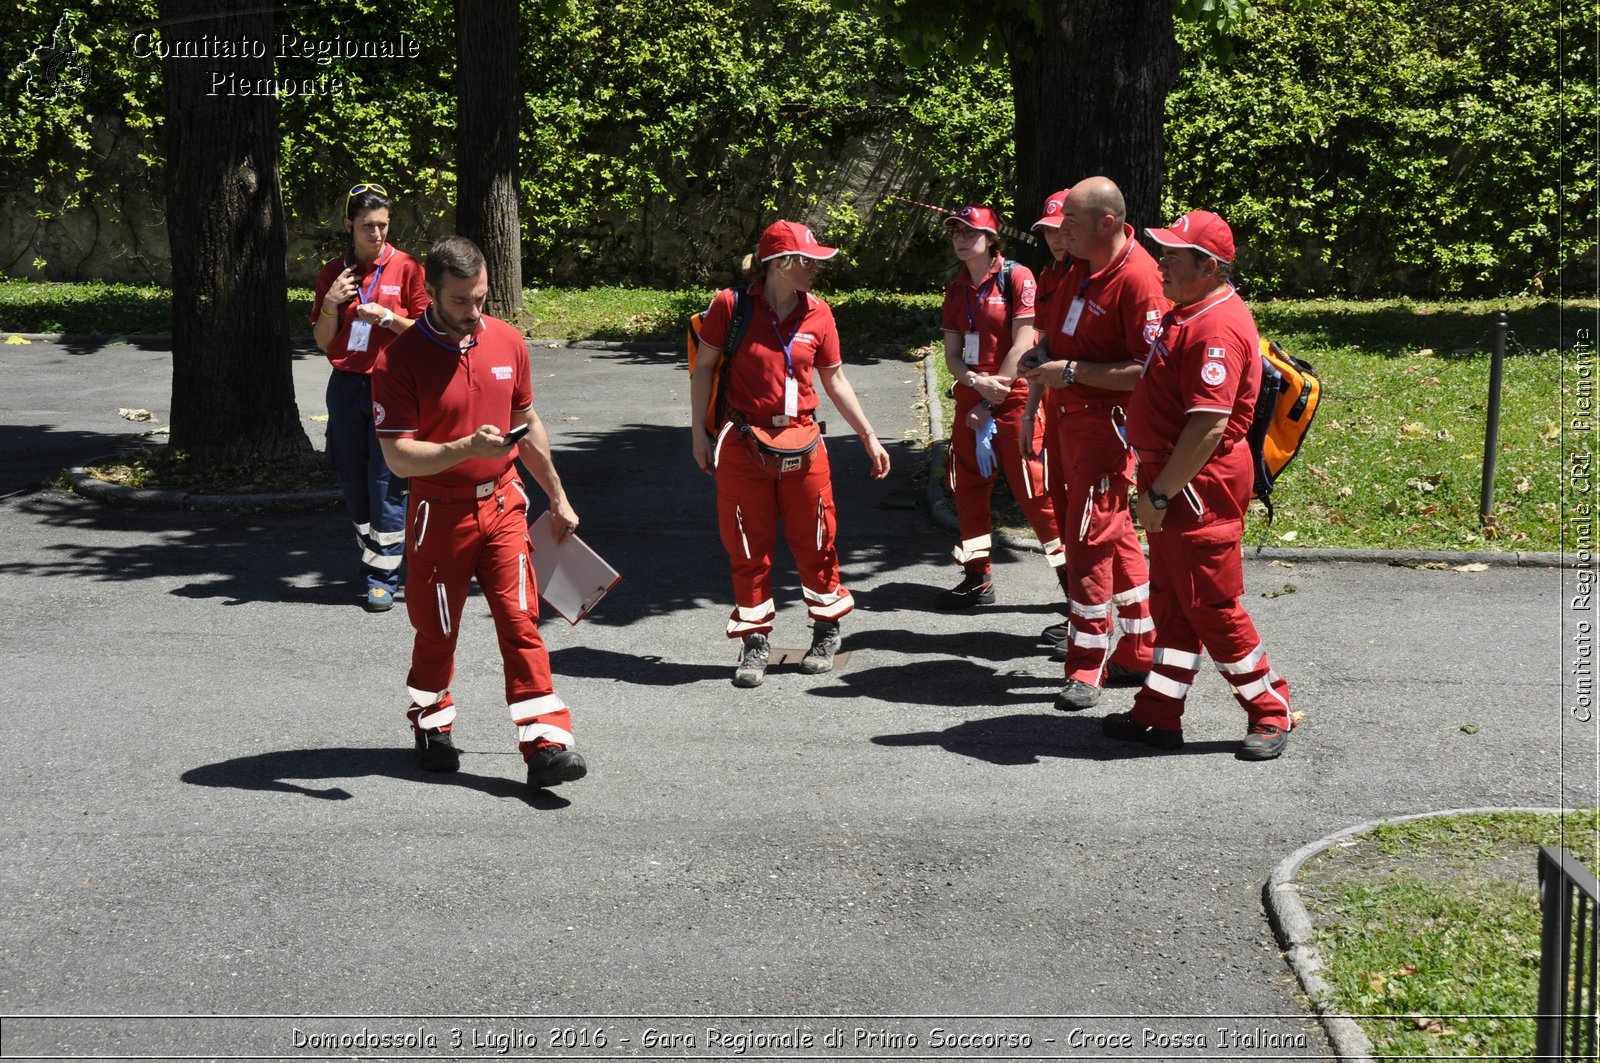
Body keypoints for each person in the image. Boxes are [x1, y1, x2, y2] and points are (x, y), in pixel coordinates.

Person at [372, 235, 588, 789]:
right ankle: (430, 721)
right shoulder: (399, 360)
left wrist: (558, 496)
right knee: (437, 630)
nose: (476, 312)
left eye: (483, 297)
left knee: (520, 622)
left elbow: (528, 422)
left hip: (504, 505)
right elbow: (397, 458)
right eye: (463, 301)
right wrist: (466, 448)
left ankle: (545, 742)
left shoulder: (508, 342)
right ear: (431, 294)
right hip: (437, 515)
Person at [1104, 209, 1294, 760]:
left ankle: (1269, 708)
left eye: (1172, 257)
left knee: (1211, 603)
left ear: (1208, 267)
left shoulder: (1216, 325)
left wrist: (1161, 491)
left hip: (1193, 483)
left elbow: (1209, 423)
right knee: (1173, 599)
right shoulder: (1188, 310)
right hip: (1173, 476)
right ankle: (1159, 712)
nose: (1160, 264)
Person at [690, 220, 892, 688]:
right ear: (781, 264)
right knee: (746, 545)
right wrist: (699, 435)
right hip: (743, 443)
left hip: (803, 442)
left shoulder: (820, 313)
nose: (819, 268)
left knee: (817, 539)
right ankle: (755, 642)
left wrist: (868, 435)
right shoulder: (731, 306)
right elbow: (703, 370)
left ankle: (826, 630)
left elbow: (835, 380)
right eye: (811, 260)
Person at [1021, 177, 1161, 712]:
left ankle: (1085, 665)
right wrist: (1043, 361)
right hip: (1067, 417)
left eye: (1072, 225)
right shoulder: (1078, 268)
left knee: (1086, 539)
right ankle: (1141, 646)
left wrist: (1073, 371)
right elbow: (1061, 333)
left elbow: (1148, 369)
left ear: (1107, 223)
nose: (1062, 235)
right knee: (1113, 530)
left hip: (1107, 426)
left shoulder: (1140, 279)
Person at [935, 204, 1065, 609]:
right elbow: (953, 356)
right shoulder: (957, 288)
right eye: (956, 232)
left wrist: (995, 396)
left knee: (1036, 495)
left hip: (1015, 401)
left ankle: (1074, 588)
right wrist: (974, 383)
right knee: (967, 491)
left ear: (991, 238)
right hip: (972, 401)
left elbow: (1024, 343)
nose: (961, 239)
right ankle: (978, 577)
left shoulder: (1016, 276)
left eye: (970, 232)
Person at [311, 183, 430, 612]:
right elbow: (325, 342)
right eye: (367, 227)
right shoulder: (333, 273)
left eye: (382, 225)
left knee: (387, 482)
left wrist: (387, 317)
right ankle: (375, 558)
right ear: (349, 225)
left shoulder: (408, 269)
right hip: (346, 386)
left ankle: (383, 578)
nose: (377, 234)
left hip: (393, 385)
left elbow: (426, 332)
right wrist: (330, 303)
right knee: (353, 478)